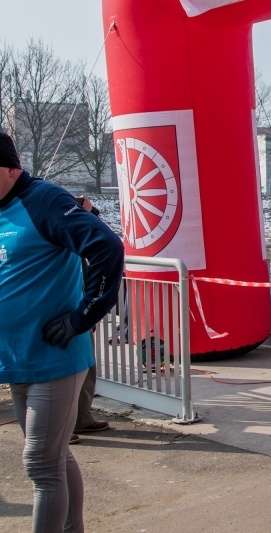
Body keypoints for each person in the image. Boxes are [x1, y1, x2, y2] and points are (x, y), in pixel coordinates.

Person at [0, 132, 124, 532]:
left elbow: (107, 247)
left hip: (54, 358)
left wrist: (81, 317)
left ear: (8, 168)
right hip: (17, 357)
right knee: (54, 458)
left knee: (40, 464)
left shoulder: (44, 200)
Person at [69, 195, 112, 446]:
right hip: (62, 306)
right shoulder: (50, 225)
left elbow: (101, 239)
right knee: (66, 369)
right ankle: (60, 425)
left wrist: (90, 212)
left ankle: (80, 418)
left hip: (79, 303)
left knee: (85, 363)